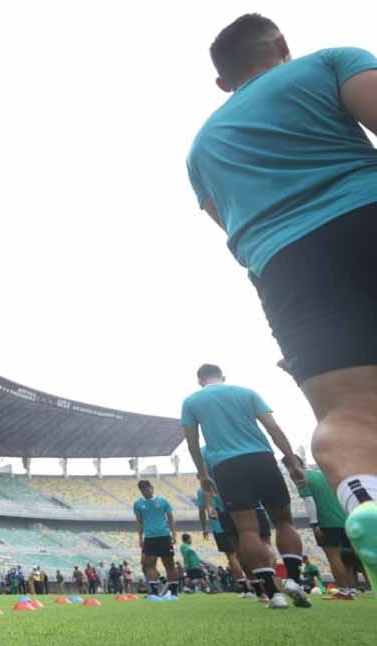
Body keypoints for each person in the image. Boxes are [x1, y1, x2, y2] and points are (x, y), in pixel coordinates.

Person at [187, 13, 377, 584]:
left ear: (223, 83)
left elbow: (230, 235)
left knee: (347, 414)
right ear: (282, 46)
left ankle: (366, 499)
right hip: (366, 207)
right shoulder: (329, 63)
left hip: (286, 266)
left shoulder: (201, 149)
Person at [181, 363, 311, 608]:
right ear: (223, 376)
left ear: (199, 380)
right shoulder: (246, 392)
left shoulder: (191, 402)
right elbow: (273, 427)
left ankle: (274, 594)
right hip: (261, 457)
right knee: (284, 521)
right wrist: (292, 461)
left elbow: (192, 442)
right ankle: (293, 578)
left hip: (226, 466)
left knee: (247, 530)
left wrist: (203, 474)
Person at [300, 466, 363, 599]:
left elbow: (309, 501)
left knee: (333, 557)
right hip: (345, 518)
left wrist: (314, 524)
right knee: (360, 557)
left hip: (327, 522)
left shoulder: (302, 477)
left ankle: (344, 591)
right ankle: (355, 589)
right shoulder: (324, 475)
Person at [134, 480, 179, 597]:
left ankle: (173, 592)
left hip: (164, 536)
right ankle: (154, 592)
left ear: (152, 488)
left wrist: (174, 533)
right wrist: (140, 538)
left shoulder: (163, 501)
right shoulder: (138, 504)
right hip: (149, 537)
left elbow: (170, 518)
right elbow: (139, 521)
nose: (145, 491)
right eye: (142, 490)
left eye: (147, 489)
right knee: (150, 564)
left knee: (169, 564)